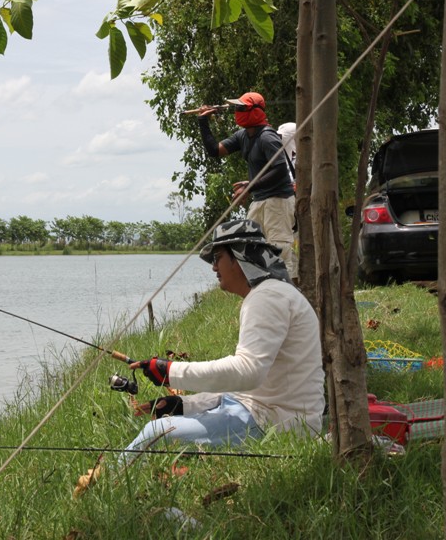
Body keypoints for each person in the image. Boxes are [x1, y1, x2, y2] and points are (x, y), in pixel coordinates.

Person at [121, 219, 324, 463]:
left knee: (156, 433)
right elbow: (249, 392)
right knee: (166, 426)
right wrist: (184, 404)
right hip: (267, 412)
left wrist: (171, 371)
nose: (214, 268)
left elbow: (249, 373)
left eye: (217, 258)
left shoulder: (267, 298)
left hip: (280, 423)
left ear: (239, 259)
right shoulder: (270, 294)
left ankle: (107, 483)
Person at [197, 93, 298, 281]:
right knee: (251, 247)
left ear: (256, 112)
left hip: (278, 202)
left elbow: (280, 171)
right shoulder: (243, 136)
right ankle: (261, 290)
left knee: (280, 251)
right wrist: (203, 122)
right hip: (259, 200)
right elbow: (215, 150)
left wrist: (249, 186)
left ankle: (288, 295)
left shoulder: (267, 137)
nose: (237, 112)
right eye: (236, 108)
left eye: (242, 108)